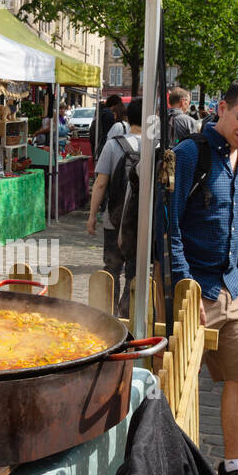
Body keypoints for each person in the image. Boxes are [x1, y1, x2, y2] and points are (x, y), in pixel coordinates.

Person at [169, 74, 238, 475]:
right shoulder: (189, 154)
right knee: (177, 383)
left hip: (234, 286)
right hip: (195, 287)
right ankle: (171, 471)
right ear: (221, 109)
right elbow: (168, 227)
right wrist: (183, 286)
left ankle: (233, 467)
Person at [87, 96, 142, 316]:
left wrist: (92, 216)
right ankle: (127, 317)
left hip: (114, 218)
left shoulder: (114, 144)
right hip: (141, 221)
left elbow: (100, 183)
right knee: (134, 273)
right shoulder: (156, 145)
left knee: (111, 269)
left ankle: (108, 318)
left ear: (128, 118)